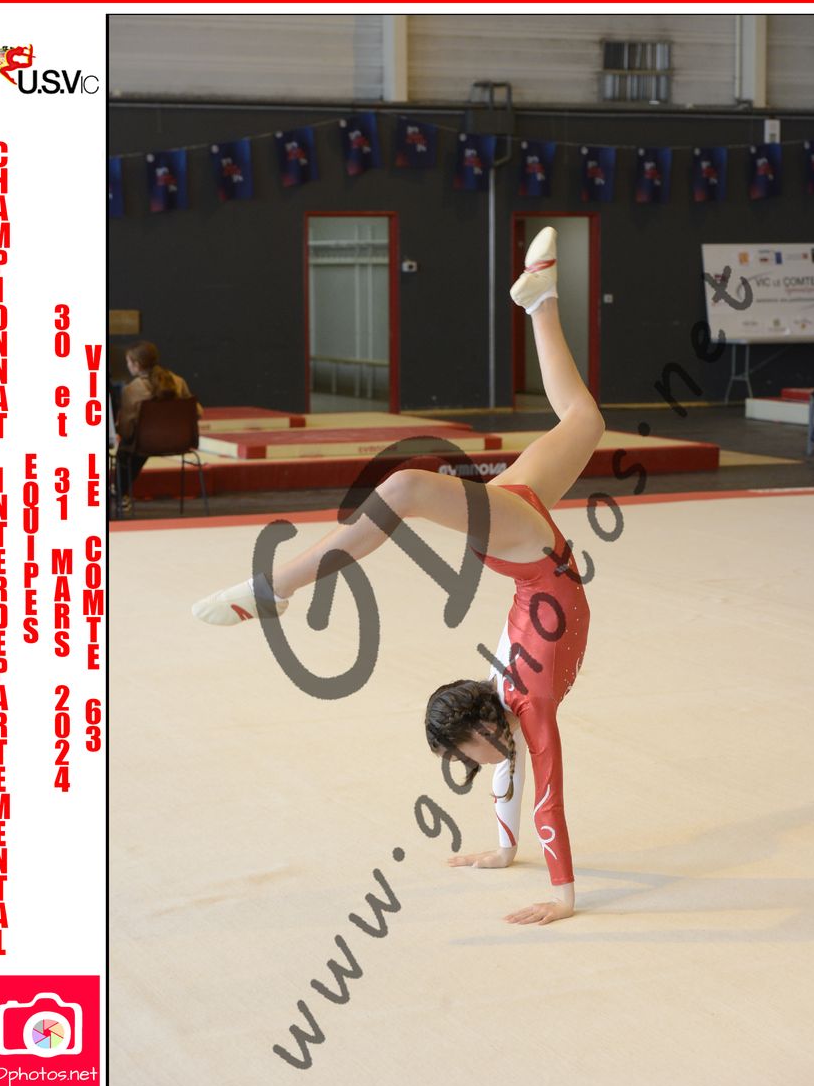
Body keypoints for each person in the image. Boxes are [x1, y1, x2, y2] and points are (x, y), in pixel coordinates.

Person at [192, 228, 604, 925]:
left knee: (568, 425)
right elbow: (544, 790)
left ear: (483, 724)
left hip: (530, 550)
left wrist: (515, 857)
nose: (472, 764)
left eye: (463, 754)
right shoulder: (523, 709)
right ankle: (275, 587)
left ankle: (539, 300)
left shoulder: (511, 700)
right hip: (533, 551)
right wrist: (551, 885)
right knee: (425, 481)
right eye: (465, 757)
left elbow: (518, 777)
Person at [114, 341, 201, 509]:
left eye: (128, 362)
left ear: (136, 365)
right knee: (141, 443)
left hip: (146, 444)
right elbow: (197, 412)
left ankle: (120, 493)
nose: (127, 366)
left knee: (127, 449)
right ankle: (119, 492)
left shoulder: (131, 390)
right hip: (180, 442)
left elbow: (126, 429)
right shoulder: (178, 381)